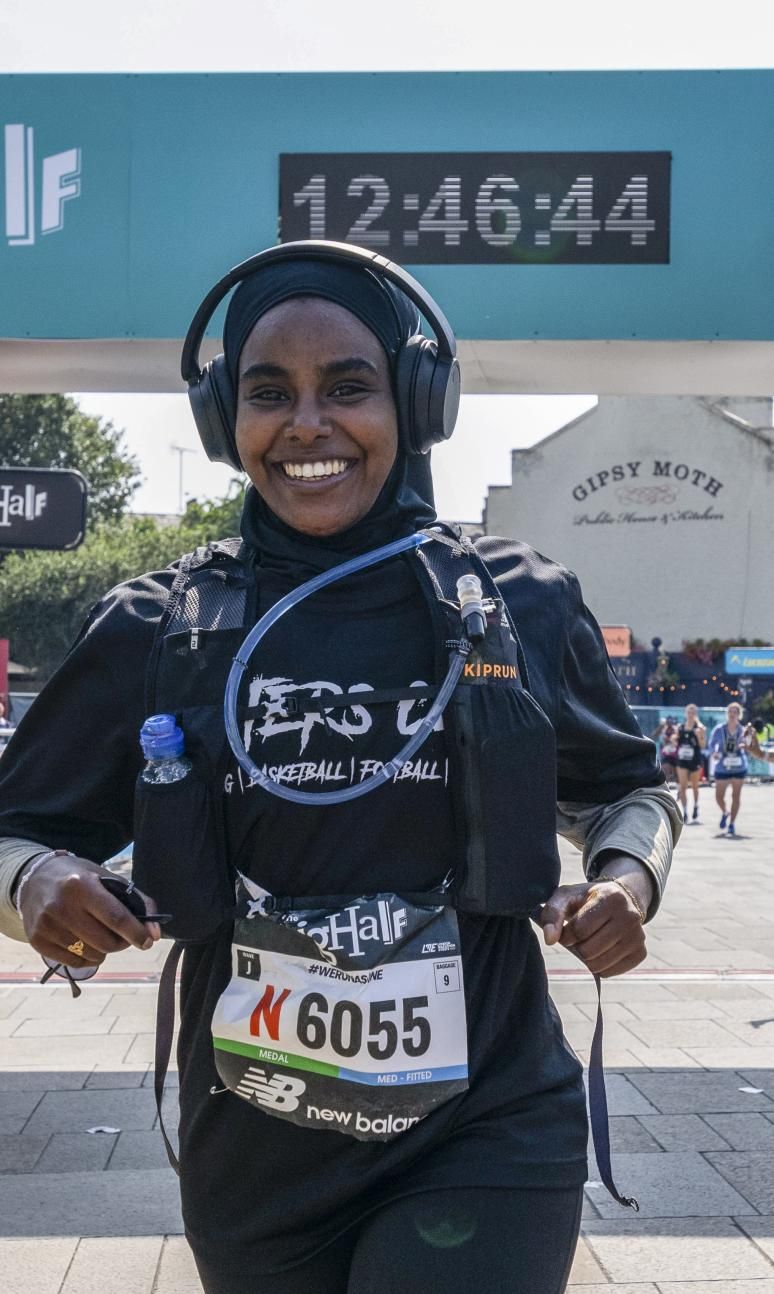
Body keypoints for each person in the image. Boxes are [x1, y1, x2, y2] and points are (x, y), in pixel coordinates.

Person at [0, 243, 681, 1294]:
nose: (308, 424)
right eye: (271, 392)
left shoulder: (518, 602)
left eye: (349, 386)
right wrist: (32, 881)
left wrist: (627, 880)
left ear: (415, 400)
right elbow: (14, 829)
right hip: (255, 1162)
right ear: (226, 416)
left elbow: (631, 787)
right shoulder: (156, 627)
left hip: (483, 1131)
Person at [708, 702, 754, 835]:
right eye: (730, 712)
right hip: (722, 767)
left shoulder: (744, 730)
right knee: (719, 796)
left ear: (739, 715)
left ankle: (732, 823)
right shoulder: (719, 729)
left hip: (739, 767)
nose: (732, 714)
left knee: (736, 796)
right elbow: (711, 745)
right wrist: (714, 753)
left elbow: (750, 746)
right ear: (727, 714)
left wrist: (748, 740)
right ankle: (725, 812)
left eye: (735, 712)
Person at [675, 703, 706, 824]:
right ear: (686, 713)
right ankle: (685, 812)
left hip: (695, 759)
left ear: (696, 714)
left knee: (694, 786)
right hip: (682, 759)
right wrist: (673, 739)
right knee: (682, 787)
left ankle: (696, 806)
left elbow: (703, 745)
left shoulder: (700, 727)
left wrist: (699, 736)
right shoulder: (681, 727)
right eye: (689, 712)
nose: (691, 714)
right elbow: (676, 741)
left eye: (693, 712)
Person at [652, 715, 679, 786]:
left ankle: (679, 791)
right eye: (668, 722)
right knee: (665, 772)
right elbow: (654, 735)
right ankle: (667, 791)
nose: (669, 724)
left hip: (675, 754)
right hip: (665, 754)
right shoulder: (663, 729)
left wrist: (673, 739)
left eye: (671, 722)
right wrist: (661, 726)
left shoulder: (676, 729)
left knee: (676, 774)